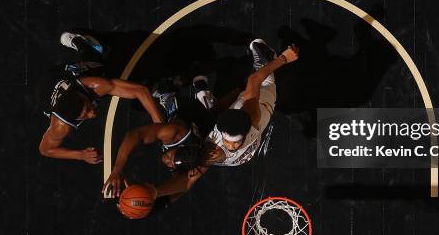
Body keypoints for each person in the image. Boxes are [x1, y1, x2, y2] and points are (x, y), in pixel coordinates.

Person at [148, 39, 300, 202]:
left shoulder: (212, 150)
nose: (231, 145)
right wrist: (283, 59)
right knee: (258, 50)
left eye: (232, 144)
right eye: (229, 142)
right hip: (262, 97)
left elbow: (186, 183)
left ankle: (201, 94)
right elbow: (254, 80)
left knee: (211, 114)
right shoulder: (248, 113)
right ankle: (205, 93)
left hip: (248, 118)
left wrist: (157, 194)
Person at [39, 32, 163, 164]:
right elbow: (45, 149)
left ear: (82, 95)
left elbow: (140, 90)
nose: (92, 114)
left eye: (87, 107)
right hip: (44, 96)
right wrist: (80, 155)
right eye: (84, 115)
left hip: (59, 74)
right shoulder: (60, 126)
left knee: (100, 64)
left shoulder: (94, 85)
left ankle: (78, 41)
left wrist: (161, 128)